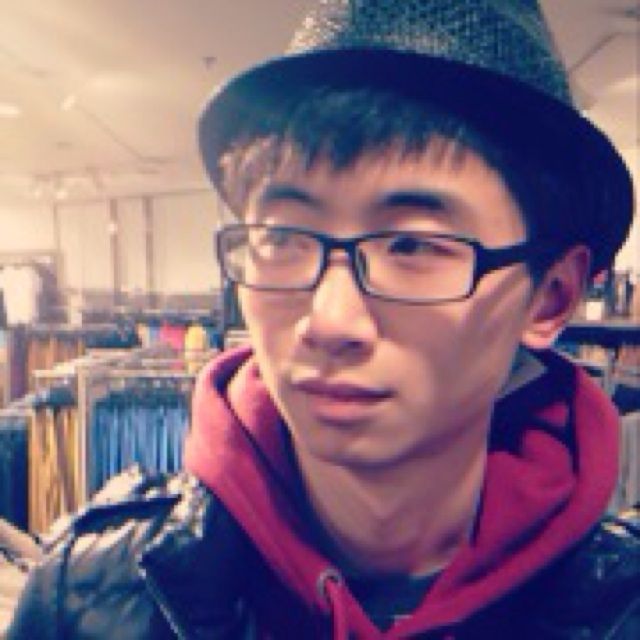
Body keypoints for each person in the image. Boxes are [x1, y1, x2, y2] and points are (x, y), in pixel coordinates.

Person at [8, 1, 640, 638]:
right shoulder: (89, 597)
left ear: (550, 298)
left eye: (411, 246)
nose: (329, 321)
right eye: (283, 237)